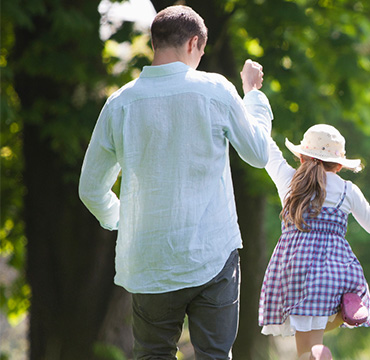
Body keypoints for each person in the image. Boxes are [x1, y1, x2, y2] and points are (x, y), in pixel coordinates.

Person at [78, 5, 273, 359]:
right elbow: (258, 153)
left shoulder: (120, 103)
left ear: (155, 43)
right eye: (200, 51)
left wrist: (122, 221)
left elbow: (90, 188)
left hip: (149, 259)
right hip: (211, 254)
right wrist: (254, 95)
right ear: (194, 44)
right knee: (214, 354)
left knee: (152, 354)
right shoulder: (215, 90)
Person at [257, 123, 370, 360]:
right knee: (321, 324)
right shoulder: (346, 189)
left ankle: (314, 355)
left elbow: (267, 148)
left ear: (301, 156)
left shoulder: (290, 181)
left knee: (304, 343)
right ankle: (345, 311)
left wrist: (252, 97)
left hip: (295, 270)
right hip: (333, 273)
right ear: (340, 165)